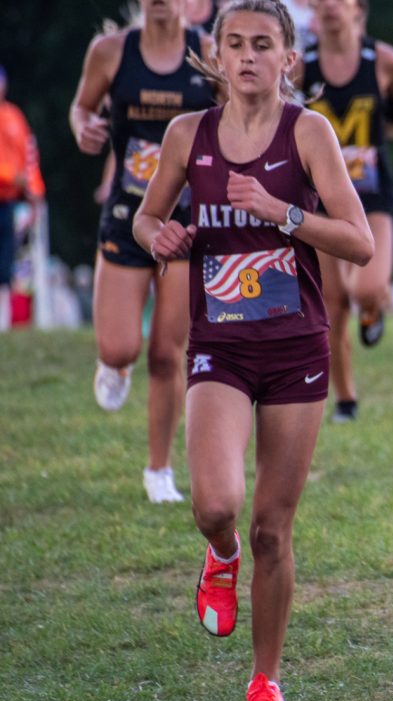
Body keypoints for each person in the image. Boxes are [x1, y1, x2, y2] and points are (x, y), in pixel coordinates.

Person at [132, 0, 373, 701]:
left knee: (275, 526)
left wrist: (282, 212)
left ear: (287, 59)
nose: (247, 57)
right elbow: (146, 217)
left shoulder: (310, 132)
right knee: (215, 506)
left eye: (262, 44)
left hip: (298, 347)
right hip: (221, 349)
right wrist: (159, 239)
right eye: (234, 43)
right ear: (216, 53)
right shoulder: (187, 135)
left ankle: (264, 683)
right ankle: (220, 555)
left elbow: (358, 242)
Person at [69, 0, 216, 502]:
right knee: (120, 347)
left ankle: (159, 471)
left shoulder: (208, 53)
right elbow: (82, 107)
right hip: (129, 215)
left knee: (166, 353)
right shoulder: (111, 52)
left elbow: (239, 115)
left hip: (185, 220)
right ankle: (114, 363)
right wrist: (82, 126)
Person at [298, 0, 393, 423]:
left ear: (358, 7)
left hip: (372, 196)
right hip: (319, 197)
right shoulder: (302, 66)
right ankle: (346, 400)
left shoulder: (382, 60)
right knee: (332, 303)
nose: (329, 6)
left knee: (365, 289)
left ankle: (374, 308)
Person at [0, 65, 45, 333]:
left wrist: (34, 192)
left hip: (9, 204)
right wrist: (9, 176)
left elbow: (29, 160)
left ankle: (6, 323)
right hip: (8, 190)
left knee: (9, 263)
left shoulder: (14, 117)